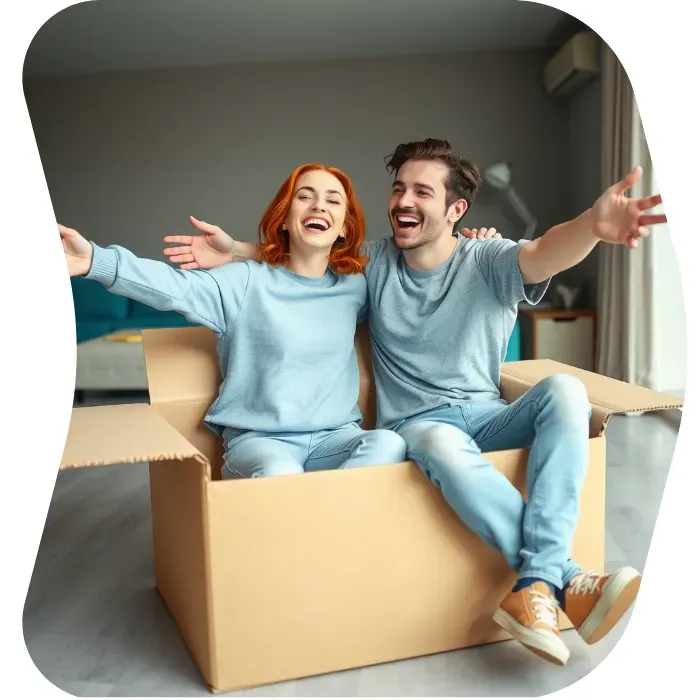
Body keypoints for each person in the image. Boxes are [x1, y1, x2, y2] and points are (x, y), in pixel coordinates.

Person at [160, 139, 666, 667]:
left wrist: (591, 226)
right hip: (417, 429)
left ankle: (537, 582)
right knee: (441, 439)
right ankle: (562, 580)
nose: (404, 200)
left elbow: (543, 253)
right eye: (399, 188)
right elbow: (304, 256)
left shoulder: (487, 257)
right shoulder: (374, 262)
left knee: (568, 390)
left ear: (455, 210)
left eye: (422, 191)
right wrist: (239, 250)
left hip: (491, 417)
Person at [59, 163, 410, 480]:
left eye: (333, 200)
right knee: (281, 473)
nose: (319, 205)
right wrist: (95, 261)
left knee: (387, 444)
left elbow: (415, 273)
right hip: (260, 442)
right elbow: (173, 287)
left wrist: (462, 249)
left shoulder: (355, 288)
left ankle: (327, 528)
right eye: (305, 197)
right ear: (284, 219)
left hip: (335, 439)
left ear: (345, 230)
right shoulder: (243, 281)